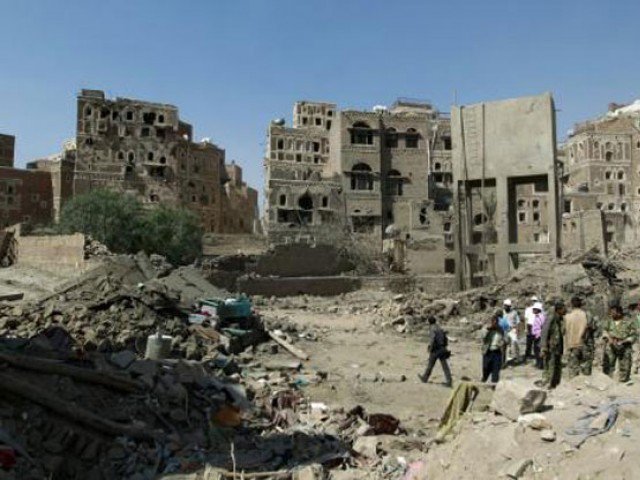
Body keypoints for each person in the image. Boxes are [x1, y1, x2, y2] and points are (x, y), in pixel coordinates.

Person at [602, 300, 638, 382]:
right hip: (611, 346)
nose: (611, 314)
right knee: (608, 365)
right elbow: (604, 331)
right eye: (611, 312)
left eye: (613, 312)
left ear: (619, 313)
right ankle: (607, 381)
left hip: (624, 346)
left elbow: (633, 335)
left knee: (625, 366)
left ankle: (623, 381)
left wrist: (624, 341)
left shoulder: (629, 321)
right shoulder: (609, 321)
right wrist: (609, 338)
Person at [418, 316, 452, 387]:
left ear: (429, 322)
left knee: (430, 364)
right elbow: (445, 337)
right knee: (445, 366)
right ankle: (449, 381)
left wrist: (430, 348)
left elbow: (432, 339)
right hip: (442, 348)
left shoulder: (432, 328)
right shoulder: (439, 327)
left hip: (436, 349)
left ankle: (425, 378)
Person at [540, 300, 566, 388]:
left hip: (556, 347)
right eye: (563, 309)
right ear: (559, 309)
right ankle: (547, 383)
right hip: (551, 347)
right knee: (549, 365)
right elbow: (544, 331)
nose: (565, 310)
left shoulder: (559, 318)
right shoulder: (551, 317)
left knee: (555, 365)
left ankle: (553, 383)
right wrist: (543, 347)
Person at [564, 296, 589, 378]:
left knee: (573, 367)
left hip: (571, 344)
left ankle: (574, 383)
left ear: (571, 305)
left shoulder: (567, 316)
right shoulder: (584, 314)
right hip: (582, 343)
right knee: (584, 366)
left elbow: (564, 330)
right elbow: (586, 327)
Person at [482, 311, 505, 383]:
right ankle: (484, 378)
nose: (494, 322)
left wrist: (502, 343)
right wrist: (489, 329)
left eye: (496, 321)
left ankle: (494, 384)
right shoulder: (486, 329)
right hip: (488, 351)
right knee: (486, 367)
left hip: (497, 352)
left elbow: (504, 339)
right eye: (493, 321)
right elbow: (483, 338)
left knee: (496, 370)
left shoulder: (500, 329)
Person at [502, 299, 521, 363]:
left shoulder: (514, 312)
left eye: (507, 306)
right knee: (506, 344)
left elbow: (518, 322)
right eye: (505, 305)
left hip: (512, 330)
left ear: (509, 306)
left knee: (515, 343)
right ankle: (508, 358)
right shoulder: (502, 312)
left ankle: (517, 357)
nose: (505, 307)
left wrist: (517, 331)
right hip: (504, 330)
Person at [531, 302, 546, 369]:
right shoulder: (537, 316)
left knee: (538, 350)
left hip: (539, 336)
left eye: (534, 309)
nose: (533, 310)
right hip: (536, 335)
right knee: (536, 350)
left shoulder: (541, 317)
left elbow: (543, 326)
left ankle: (540, 364)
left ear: (538, 309)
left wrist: (539, 334)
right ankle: (538, 363)